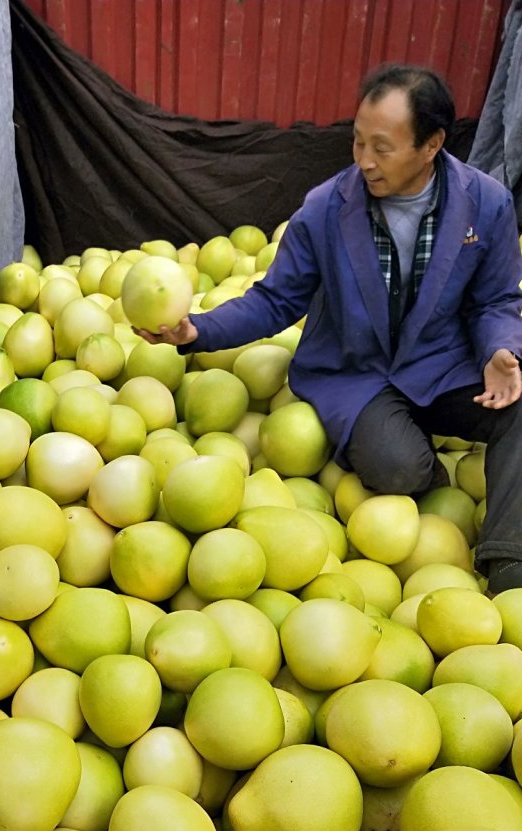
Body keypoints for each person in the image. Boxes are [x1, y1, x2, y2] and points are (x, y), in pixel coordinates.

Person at [135, 64, 522, 595]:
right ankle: (421, 463)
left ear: (431, 144)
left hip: (441, 362)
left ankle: (508, 558)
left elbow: (496, 298)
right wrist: (196, 332)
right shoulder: (325, 209)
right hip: (356, 370)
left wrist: (501, 348)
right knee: (398, 471)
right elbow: (276, 299)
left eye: (382, 148)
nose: (364, 160)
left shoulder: (488, 203)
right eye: (358, 142)